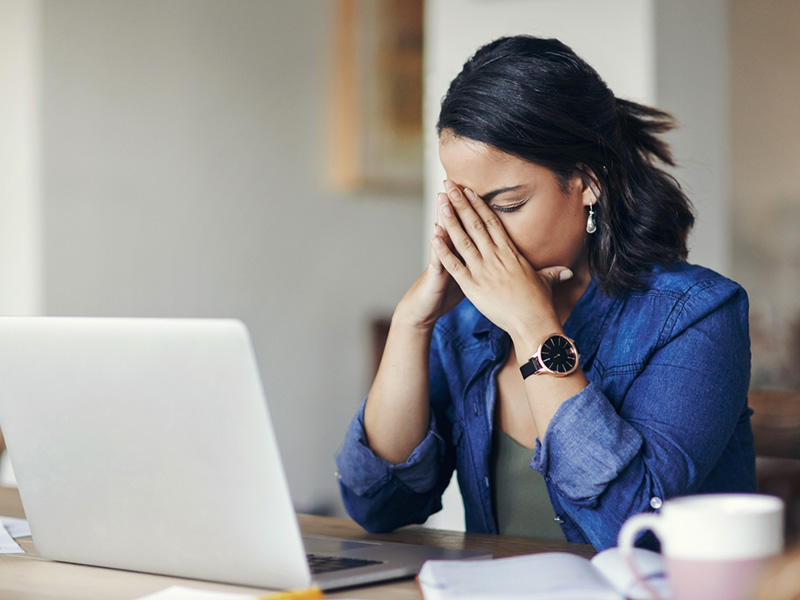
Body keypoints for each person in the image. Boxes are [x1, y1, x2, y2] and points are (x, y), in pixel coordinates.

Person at [335, 35, 755, 551]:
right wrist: (412, 324)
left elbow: (629, 531)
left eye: (508, 204)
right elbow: (378, 505)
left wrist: (533, 327)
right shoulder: (466, 324)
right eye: (467, 205)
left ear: (587, 181)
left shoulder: (696, 315)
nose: (484, 233)